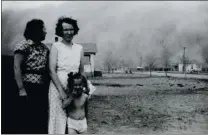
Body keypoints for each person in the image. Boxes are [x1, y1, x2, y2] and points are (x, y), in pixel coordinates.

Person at [48, 16, 85, 134]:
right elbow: (51, 70)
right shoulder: (56, 47)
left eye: (71, 29)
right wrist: (61, 91)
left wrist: (82, 88)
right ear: (60, 31)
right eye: (65, 30)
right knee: (58, 117)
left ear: (75, 30)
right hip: (57, 86)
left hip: (75, 86)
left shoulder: (79, 48)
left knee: (74, 115)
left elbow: (82, 70)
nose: (69, 32)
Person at [13, 19, 50, 134]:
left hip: (42, 88)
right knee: (28, 118)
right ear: (37, 30)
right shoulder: (23, 46)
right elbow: (16, 67)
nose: (46, 32)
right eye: (44, 29)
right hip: (27, 87)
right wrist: (21, 88)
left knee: (41, 117)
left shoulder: (44, 48)